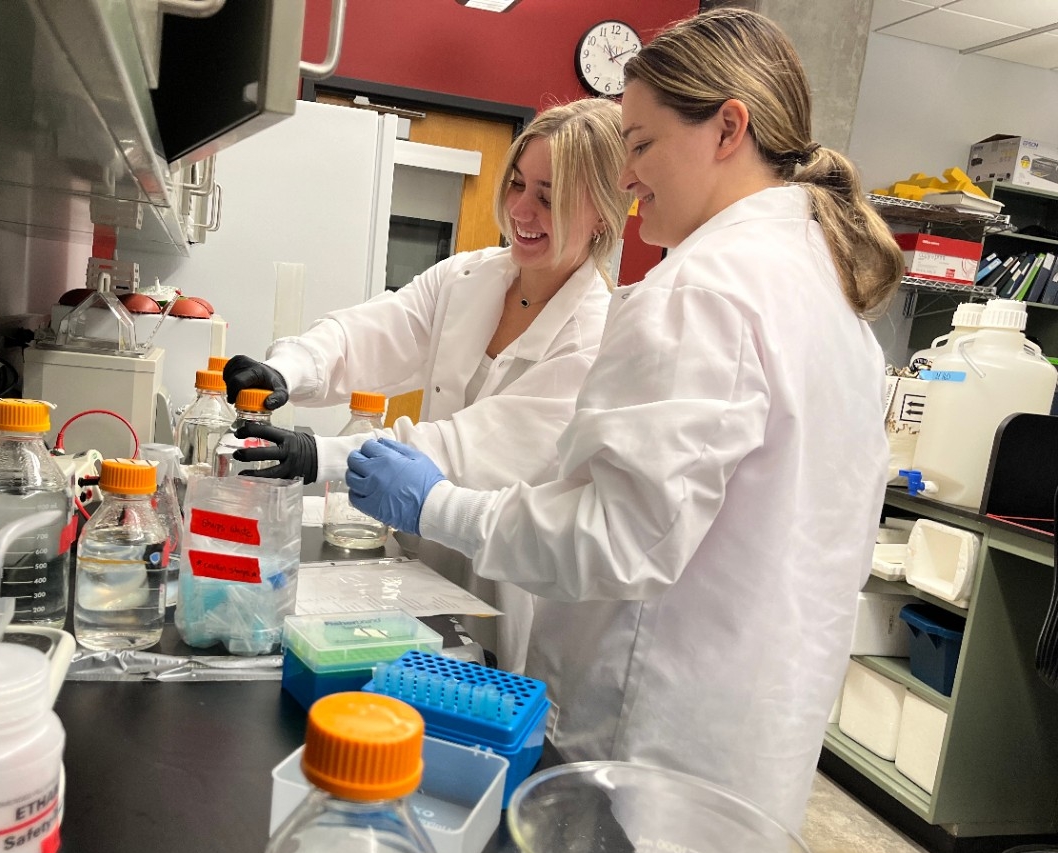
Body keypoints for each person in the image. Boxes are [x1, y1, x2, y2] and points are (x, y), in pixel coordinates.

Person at [343, 8, 903, 832]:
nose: (629, 175)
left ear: (727, 129)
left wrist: (434, 504)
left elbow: (613, 540)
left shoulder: (702, 292)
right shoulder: (836, 305)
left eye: (639, 144)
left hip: (644, 754)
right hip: (751, 752)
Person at [224, 99, 633, 670]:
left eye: (549, 196)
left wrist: (323, 456)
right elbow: (369, 333)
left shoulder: (596, 336)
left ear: (604, 215)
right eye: (516, 184)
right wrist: (288, 368)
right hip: (416, 569)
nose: (520, 208)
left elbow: (467, 448)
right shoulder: (468, 278)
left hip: (502, 588)